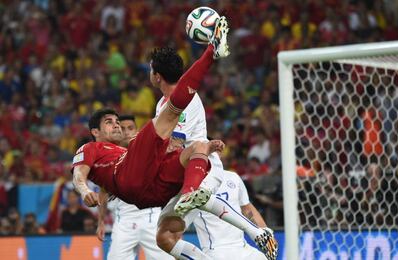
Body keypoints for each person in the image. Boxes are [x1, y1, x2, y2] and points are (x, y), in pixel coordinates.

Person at [72, 17, 276, 260]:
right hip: (177, 173)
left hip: (201, 167)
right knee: (165, 237)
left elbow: (175, 143)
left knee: (197, 186)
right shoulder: (162, 105)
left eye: (150, 69)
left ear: (157, 76)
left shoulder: (184, 102)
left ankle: (255, 233)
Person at [97, 115, 173, 260]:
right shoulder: (109, 156)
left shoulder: (151, 151)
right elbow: (103, 192)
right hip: (123, 221)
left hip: (151, 218)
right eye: (122, 128)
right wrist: (100, 222)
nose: (126, 132)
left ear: (136, 131)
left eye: (130, 128)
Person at [185, 170, 269, 260]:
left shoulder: (233, 177)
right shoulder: (192, 183)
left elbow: (247, 209)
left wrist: (267, 235)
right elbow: (176, 228)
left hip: (243, 248)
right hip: (216, 251)